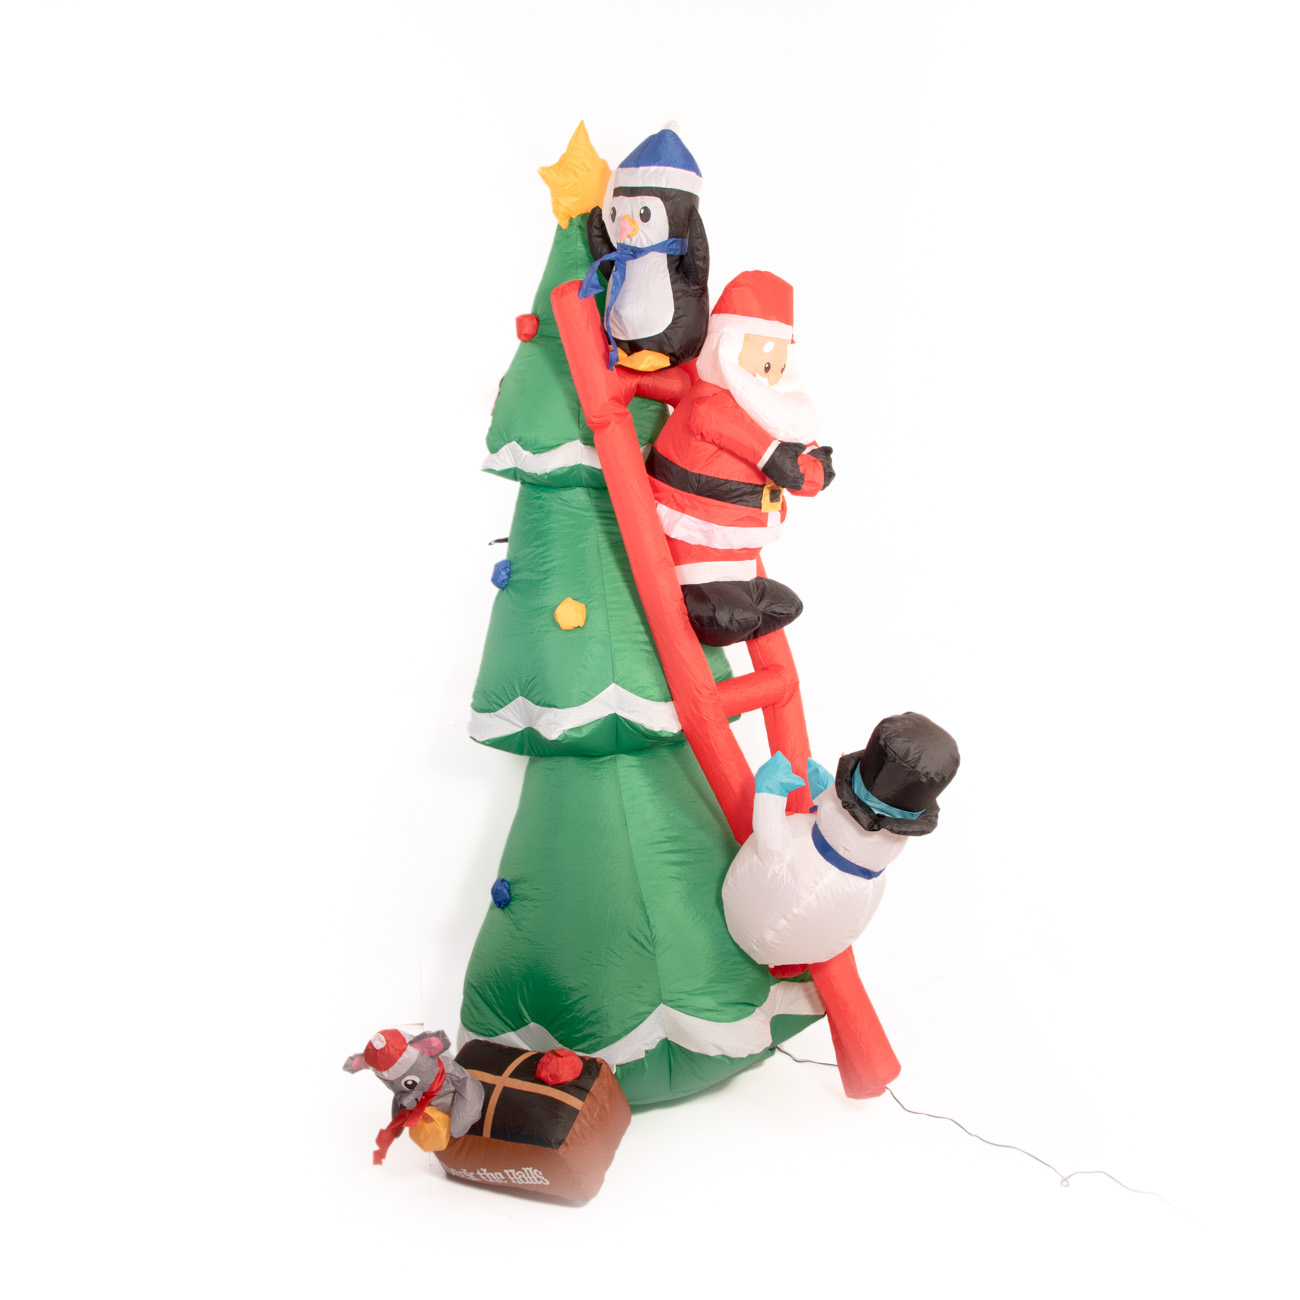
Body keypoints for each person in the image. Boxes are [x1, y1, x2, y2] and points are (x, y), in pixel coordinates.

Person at [645, 270, 834, 645]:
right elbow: (760, 447)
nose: (771, 376)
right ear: (728, 349)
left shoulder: (767, 406)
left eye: (779, 365)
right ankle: (698, 594)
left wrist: (816, 462)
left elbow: (797, 443)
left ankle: (743, 585)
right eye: (765, 363)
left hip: (741, 548)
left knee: (780, 607)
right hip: (695, 539)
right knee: (725, 615)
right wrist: (785, 462)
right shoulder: (711, 402)